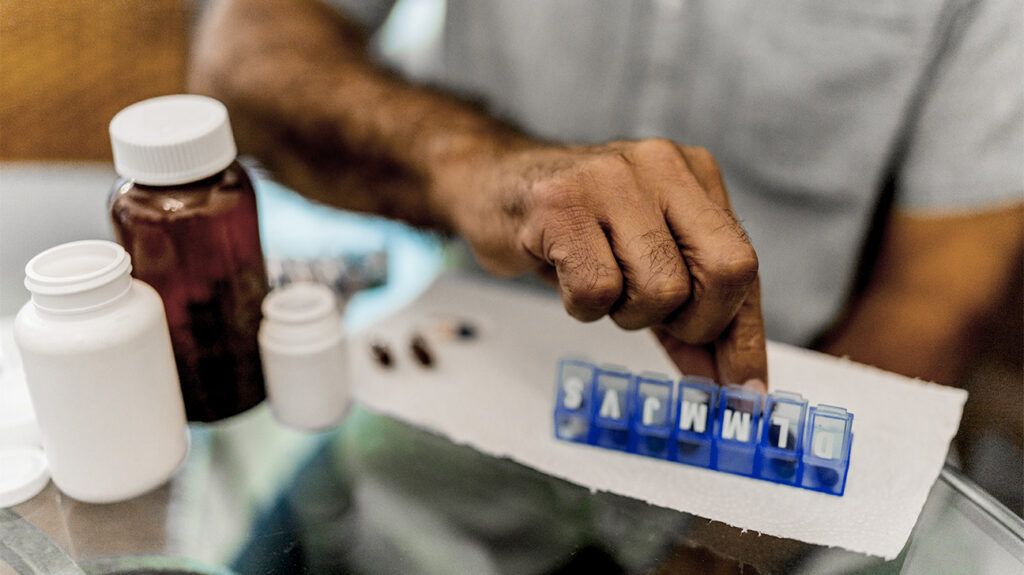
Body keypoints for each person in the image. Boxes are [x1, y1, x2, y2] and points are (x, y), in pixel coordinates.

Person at [190, 0, 1023, 572]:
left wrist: (721, 554)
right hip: (461, 398)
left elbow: (938, 292)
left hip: (777, 428)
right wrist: (472, 166)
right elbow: (240, 55)